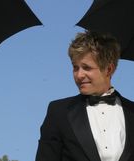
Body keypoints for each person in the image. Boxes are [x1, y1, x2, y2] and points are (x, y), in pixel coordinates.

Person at [36, 31, 134, 161]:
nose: (79, 75)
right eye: (75, 67)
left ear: (109, 69)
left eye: (86, 67)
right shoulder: (58, 112)